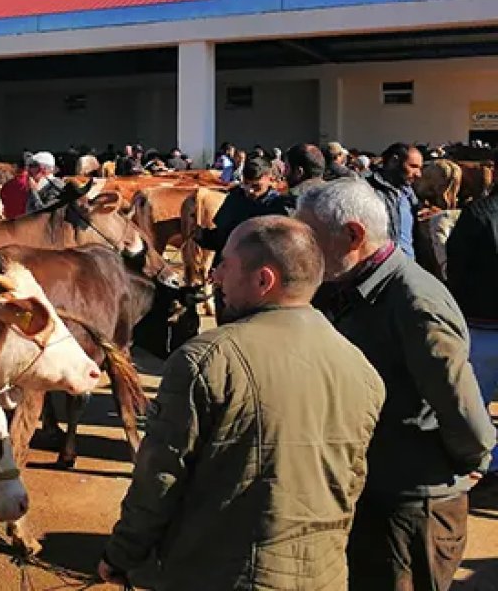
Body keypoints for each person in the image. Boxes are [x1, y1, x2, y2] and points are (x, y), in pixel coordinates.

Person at [98, 216, 386, 590]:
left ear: (264, 280)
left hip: (222, 573)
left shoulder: (206, 360)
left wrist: (122, 555)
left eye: (225, 266)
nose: (215, 276)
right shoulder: (361, 368)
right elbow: (350, 482)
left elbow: (159, 479)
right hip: (323, 573)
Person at [298, 179, 495, 590]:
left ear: (353, 235)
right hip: (374, 490)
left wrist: (465, 466)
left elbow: (465, 415)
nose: (306, 254)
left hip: (412, 506)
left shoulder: (414, 303)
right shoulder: (351, 290)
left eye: (313, 240)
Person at [446, 190, 498, 480]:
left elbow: (457, 265)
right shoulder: (478, 213)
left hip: (480, 324)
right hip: (482, 322)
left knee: (476, 401)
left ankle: (485, 462)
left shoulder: (477, 213)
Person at [198, 158, 289, 271]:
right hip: (231, 270)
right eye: (246, 184)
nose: (250, 190)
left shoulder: (278, 207)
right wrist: (202, 236)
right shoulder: (235, 198)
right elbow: (222, 237)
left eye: (256, 186)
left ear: (270, 179)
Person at [367, 142, 423, 260]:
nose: (419, 174)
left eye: (420, 168)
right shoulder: (367, 190)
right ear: (394, 161)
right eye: (413, 166)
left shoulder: (409, 193)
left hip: (408, 266)